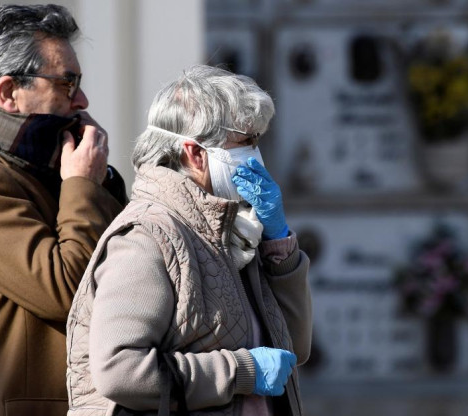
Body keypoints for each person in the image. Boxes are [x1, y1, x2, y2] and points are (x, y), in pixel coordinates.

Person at [66, 65, 312, 415]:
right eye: (245, 142)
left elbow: (294, 348)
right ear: (195, 154)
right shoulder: (146, 237)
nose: (256, 154)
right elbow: (119, 371)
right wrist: (241, 371)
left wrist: (279, 244)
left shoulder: (237, 231)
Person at [0, 5, 127, 416]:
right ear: (8, 93)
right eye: (66, 83)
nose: (82, 100)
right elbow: (68, 293)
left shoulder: (33, 161)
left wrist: (99, 181)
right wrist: (81, 185)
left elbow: (126, 266)